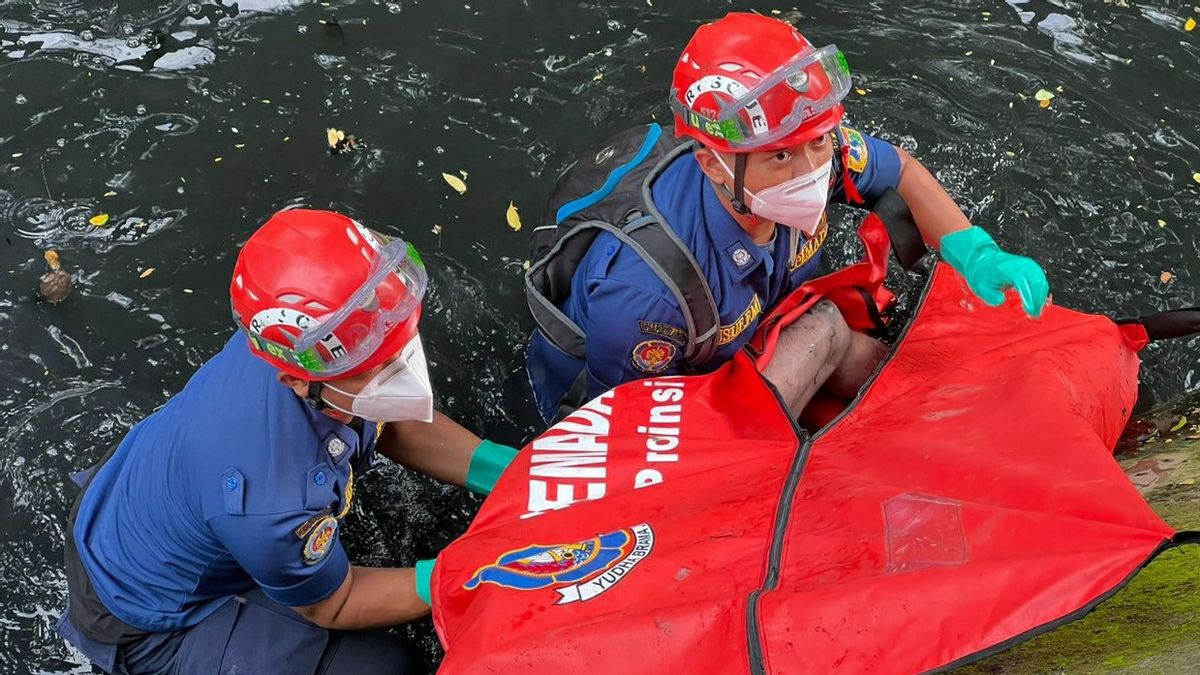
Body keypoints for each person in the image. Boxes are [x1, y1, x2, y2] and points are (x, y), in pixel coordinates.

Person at [55, 209, 518, 675]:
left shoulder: (305, 339)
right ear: (298, 381)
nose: (399, 371)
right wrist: (465, 575)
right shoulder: (269, 498)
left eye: (397, 347)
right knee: (386, 666)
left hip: (142, 502)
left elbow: (395, 417)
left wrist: (516, 473)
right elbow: (334, 604)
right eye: (375, 367)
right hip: (146, 616)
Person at [525, 12, 1049, 423]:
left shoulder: (810, 148)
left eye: (817, 143)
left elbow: (900, 170)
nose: (813, 172)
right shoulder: (645, 298)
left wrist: (974, 251)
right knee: (826, 331)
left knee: (861, 354)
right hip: (646, 393)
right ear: (712, 163)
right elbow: (628, 428)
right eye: (781, 157)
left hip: (746, 326)